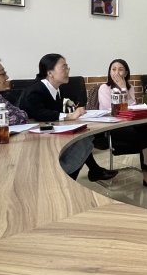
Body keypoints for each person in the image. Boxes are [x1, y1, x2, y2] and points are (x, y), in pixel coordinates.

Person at [18, 54, 117, 182]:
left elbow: (54, 113)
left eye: (67, 67)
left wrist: (69, 115)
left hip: (47, 130)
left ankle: (81, 175)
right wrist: (68, 116)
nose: (67, 71)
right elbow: (38, 114)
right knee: (81, 141)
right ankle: (80, 175)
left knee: (83, 137)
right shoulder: (35, 89)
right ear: (50, 73)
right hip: (30, 138)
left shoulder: (58, 90)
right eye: (63, 67)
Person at [98, 58, 147, 190]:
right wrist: (123, 96)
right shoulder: (104, 88)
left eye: (120, 70)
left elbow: (134, 108)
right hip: (112, 127)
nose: (116, 73)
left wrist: (124, 88)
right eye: (113, 69)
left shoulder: (130, 88)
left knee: (144, 125)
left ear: (126, 73)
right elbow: (110, 111)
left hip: (129, 125)